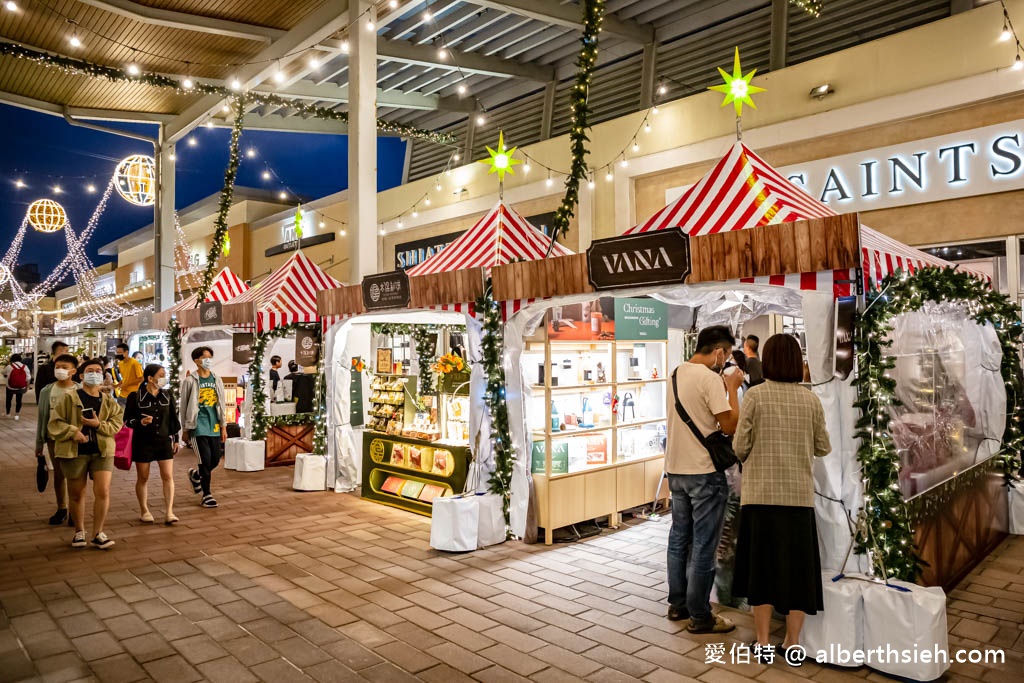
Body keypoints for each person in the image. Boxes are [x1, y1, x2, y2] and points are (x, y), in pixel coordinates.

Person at [732, 334, 831, 663]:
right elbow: (823, 447)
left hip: (759, 498)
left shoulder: (755, 397)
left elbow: (740, 447)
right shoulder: (811, 400)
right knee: (798, 573)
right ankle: (792, 642)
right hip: (798, 500)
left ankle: (761, 641)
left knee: (761, 571)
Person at [665, 325, 743, 634]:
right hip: (704, 473)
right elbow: (730, 425)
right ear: (720, 352)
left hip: (676, 469)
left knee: (679, 539)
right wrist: (733, 388)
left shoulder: (675, 374)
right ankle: (701, 615)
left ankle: (677, 605)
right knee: (704, 546)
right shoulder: (711, 379)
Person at [48, 358, 124, 549]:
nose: (95, 373)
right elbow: (54, 423)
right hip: (75, 452)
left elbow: (117, 424)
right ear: (81, 376)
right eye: (90, 370)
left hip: (102, 451)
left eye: (98, 370)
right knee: (77, 493)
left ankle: (98, 532)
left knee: (103, 491)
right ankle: (79, 531)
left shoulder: (108, 400)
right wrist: (73, 432)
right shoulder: (69, 397)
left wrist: (98, 425)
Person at [125, 364, 181, 525]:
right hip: (142, 442)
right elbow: (127, 421)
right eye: (161, 375)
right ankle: (144, 510)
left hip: (163, 440)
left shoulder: (167, 395)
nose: (164, 378)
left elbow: (173, 419)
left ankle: (169, 511)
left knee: (168, 476)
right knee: (143, 477)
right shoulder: (135, 396)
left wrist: (176, 439)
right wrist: (140, 422)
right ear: (150, 378)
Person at [35, 353, 79, 526]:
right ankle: (62, 508)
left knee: (76, 476)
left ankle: (76, 510)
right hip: (55, 439)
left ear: (73, 371)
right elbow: (42, 417)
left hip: (77, 439)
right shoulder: (47, 391)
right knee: (60, 475)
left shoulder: (80, 389)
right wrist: (39, 443)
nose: (59, 370)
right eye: (57, 367)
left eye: (64, 367)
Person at [180, 346, 227, 509]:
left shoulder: (216, 379)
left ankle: (196, 476)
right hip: (197, 425)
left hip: (214, 424)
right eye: (205, 357)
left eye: (210, 357)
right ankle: (206, 494)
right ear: (196, 360)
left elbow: (221, 403)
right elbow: (184, 406)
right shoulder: (190, 381)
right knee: (205, 460)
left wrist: (224, 426)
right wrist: (185, 429)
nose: (208, 360)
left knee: (215, 459)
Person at [4, 353, 31, 420]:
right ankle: (17, 415)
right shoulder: (25, 367)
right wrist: (27, 387)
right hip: (21, 387)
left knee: (8, 400)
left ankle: (8, 413)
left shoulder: (9, 366)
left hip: (10, 387)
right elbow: (28, 378)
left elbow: (3, 372)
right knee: (19, 400)